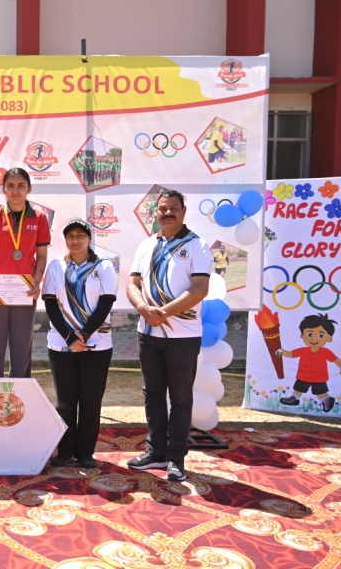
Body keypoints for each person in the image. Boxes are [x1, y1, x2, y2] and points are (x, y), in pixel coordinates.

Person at [125, 189, 212, 482]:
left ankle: (176, 458)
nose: (168, 213)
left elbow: (200, 289)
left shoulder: (197, 245)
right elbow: (132, 284)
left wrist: (164, 312)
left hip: (183, 337)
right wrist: (143, 308)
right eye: (162, 208)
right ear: (156, 213)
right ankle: (156, 453)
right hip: (148, 333)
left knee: (180, 398)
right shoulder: (146, 245)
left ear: (184, 211)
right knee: (152, 395)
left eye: (174, 207)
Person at [42, 219, 117, 467]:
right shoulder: (56, 266)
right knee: (65, 402)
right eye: (70, 236)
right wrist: (69, 337)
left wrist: (82, 334)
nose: (75, 240)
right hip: (61, 344)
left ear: (89, 239)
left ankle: (85, 452)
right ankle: (65, 450)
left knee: (90, 401)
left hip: (97, 344)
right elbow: (50, 303)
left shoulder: (104, 265)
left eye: (80, 235)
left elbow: (106, 303)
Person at [0, 168, 50, 377]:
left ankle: (20, 390)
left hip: (25, 290)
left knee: (22, 346)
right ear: (3, 189)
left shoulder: (40, 217)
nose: (15, 191)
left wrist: (36, 283)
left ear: (29, 188)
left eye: (21, 186)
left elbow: (42, 256)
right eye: (10, 186)